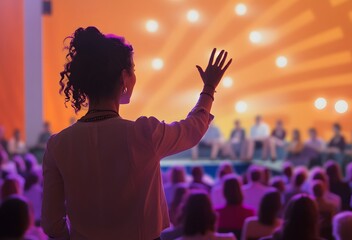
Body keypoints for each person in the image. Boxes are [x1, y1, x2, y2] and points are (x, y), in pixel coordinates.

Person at [41, 26, 232, 240]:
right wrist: (208, 89)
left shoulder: (58, 144)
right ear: (124, 77)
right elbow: (192, 129)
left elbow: (51, 224)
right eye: (133, 69)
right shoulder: (143, 134)